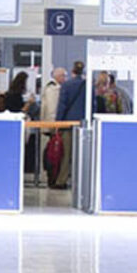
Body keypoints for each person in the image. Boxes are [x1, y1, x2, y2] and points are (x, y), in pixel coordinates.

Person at [54, 61, 86, 190]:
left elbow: (62, 106)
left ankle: (61, 181)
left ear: (72, 71)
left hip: (68, 124)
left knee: (66, 154)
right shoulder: (87, 86)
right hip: (84, 126)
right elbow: (93, 105)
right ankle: (82, 180)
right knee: (83, 154)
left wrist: (58, 123)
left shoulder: (66, 85)